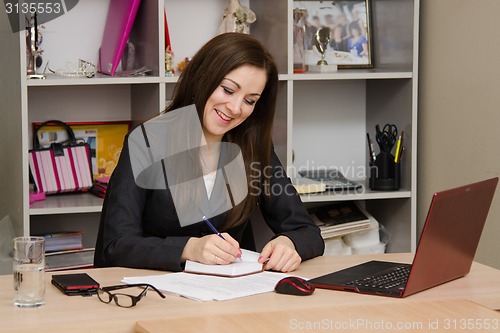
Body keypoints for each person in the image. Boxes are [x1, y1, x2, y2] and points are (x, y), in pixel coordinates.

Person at [94, 33, 324, 273]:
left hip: (229, 297)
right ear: (203, 77)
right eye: (227, 90)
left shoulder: (254, 148)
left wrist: (289, 243)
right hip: (155, 296)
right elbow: (116, 246)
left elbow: (307, 232)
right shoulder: (147, 141)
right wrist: (188, 249)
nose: (235, 108)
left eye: (250, 100)